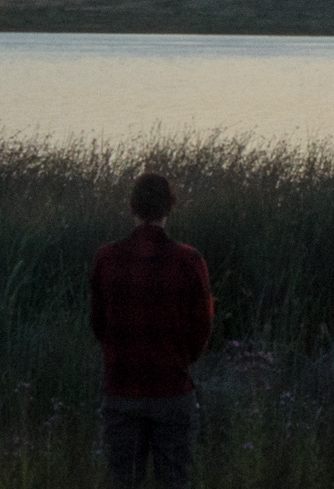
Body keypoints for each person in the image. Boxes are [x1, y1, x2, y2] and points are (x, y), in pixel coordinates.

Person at [90, 173, 215, 487]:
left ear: (132, 207)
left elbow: (98, 323)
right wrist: (179, 360)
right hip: (171, 390)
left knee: (124, 481)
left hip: (122, 391)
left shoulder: (106, 259)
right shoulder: (189, 261)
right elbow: (202, 327)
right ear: (169, 208)